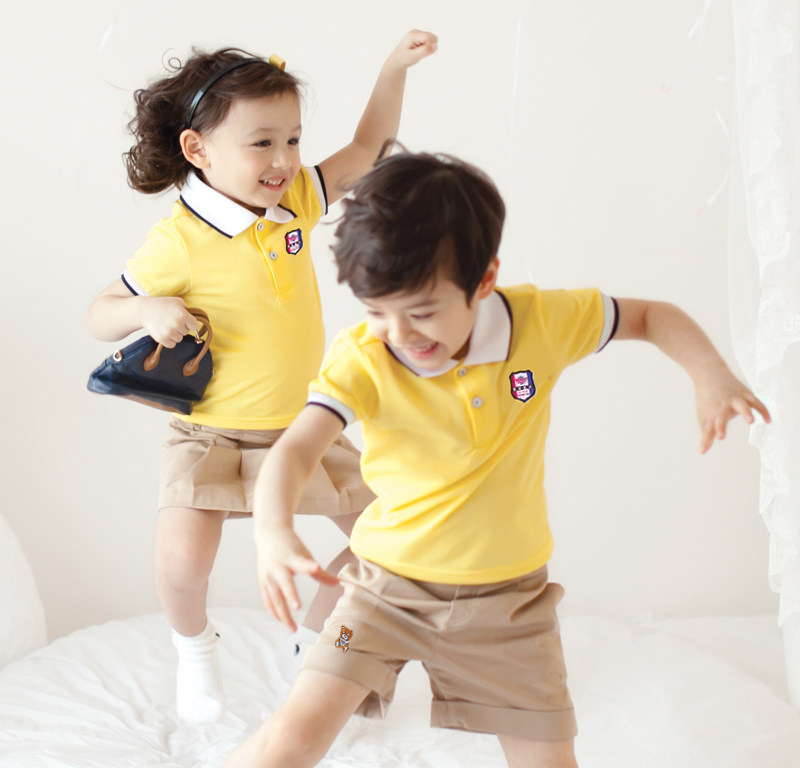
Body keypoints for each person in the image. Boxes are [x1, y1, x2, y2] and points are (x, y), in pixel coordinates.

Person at [225, 150, 771, 768]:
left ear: (484, 281)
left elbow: (651, 315)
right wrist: (273, 532)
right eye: (377, 312)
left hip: (510, 606)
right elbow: (296, 449)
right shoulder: (364, 360)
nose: (400, 334)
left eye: (422, 312)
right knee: (292, 737)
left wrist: (710, 375)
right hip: (383, 592)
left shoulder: (540, 323)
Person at [85, 33, 438, 724]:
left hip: (303, 428)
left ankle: (316, 641)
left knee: (392, 536)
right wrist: (144, 310)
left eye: (293, 140)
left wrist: (393, 67)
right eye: (262, 144)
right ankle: (195, 650)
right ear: (198, 150)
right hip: (211, 434)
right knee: (181, 564)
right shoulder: (179, 240)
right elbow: (100, 314)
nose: (284, 160)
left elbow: (369, 147)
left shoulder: (298, 201)